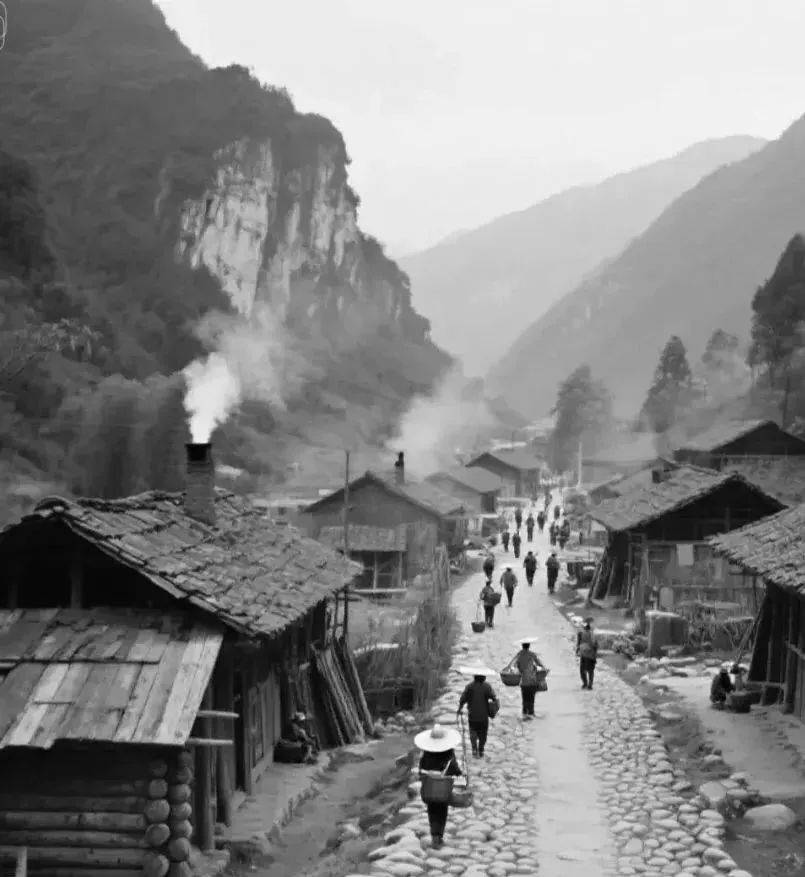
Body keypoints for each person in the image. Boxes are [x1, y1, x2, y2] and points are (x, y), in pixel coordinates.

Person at [416, 724, 463, 848]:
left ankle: (434, 835)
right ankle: (439, 836)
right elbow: (454, 768)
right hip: (443, 788)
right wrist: (459, 773)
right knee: (442, 811)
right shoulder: (449, 752)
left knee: (432, 812)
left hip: (429, 788)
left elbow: (421, 769)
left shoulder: (426, 753)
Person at [457, 668, 499, 758]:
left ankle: (474, 750)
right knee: (483, 735)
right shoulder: (487, 687)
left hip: (472, 716)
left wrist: (459, 709)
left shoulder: (469, 687)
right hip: (483, 717)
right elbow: (494, 698)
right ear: (483, 677)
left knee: (473, 733)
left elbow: (462, 699)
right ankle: (481, 750)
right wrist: (494, 707)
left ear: (475, 676)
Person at [511, 638, 547, 719]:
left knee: (525, 700)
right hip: (532, 681)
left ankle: (524, 714)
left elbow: (515, 666)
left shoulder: (519, 655)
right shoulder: (532, 654)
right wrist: (543, 668)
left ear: (522, 646)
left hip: (523, 682)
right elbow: (540, 664)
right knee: (531, 700)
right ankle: (531, 714)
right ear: (529, 646)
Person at [576, 617, 599, 690]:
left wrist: (578, 650)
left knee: (582, 669)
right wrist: (595, 651)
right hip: (590, 655)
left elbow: (578, 643)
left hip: (583, 653)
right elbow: (594, 644)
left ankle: (585, 683)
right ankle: (590, 684)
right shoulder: (592, 634)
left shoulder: (580, 633)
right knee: (591, 670)